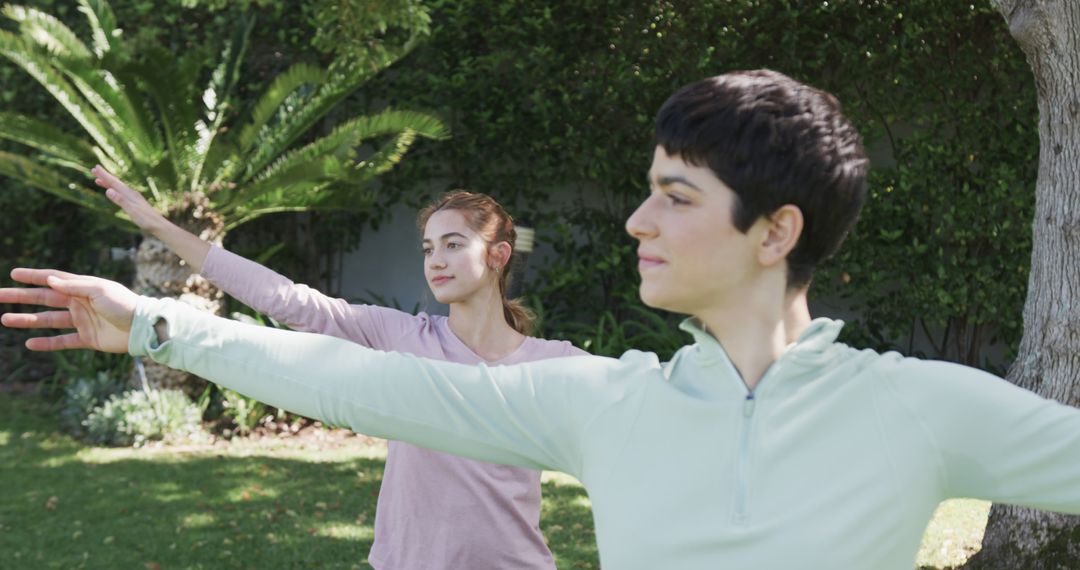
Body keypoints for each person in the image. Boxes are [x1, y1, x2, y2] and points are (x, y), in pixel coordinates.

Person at [3, 69, 1078, 570]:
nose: (636, 218)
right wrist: (156, 326)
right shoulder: (601, 403)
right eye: (646, 187)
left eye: (677, 195)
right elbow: (359, 379)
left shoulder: (920, 410)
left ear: (775, 230)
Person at [79, 168, 588, 570]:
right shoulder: (401, 337)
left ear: (499, 255)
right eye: (429, 248)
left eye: (454, 244)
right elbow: (288, 301)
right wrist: (160, 228)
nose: (435, 259)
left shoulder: (555, 363)